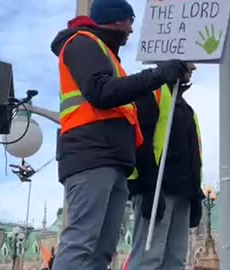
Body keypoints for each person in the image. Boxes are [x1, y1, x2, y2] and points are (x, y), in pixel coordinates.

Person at [49, 0, 188, 269]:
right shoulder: (81, 43)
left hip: (111, 160)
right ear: (116, 20)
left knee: (101, 250)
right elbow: (101, 92)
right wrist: (159, 74)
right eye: (130, 22)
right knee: (81, 242)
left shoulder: (106, 56)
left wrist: (169, 81)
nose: (131, 31)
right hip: (92, 155)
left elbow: (122, 100)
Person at [127, 63, 205, 270]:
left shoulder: (187, 108)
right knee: (148, 258)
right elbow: (140, 141)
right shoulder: (152, 93)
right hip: (157, 188)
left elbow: (194, 158)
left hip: (182, 193)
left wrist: (195, 195)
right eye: (188, 62)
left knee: (176, 261)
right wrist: (148, 187)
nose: (193, 67)